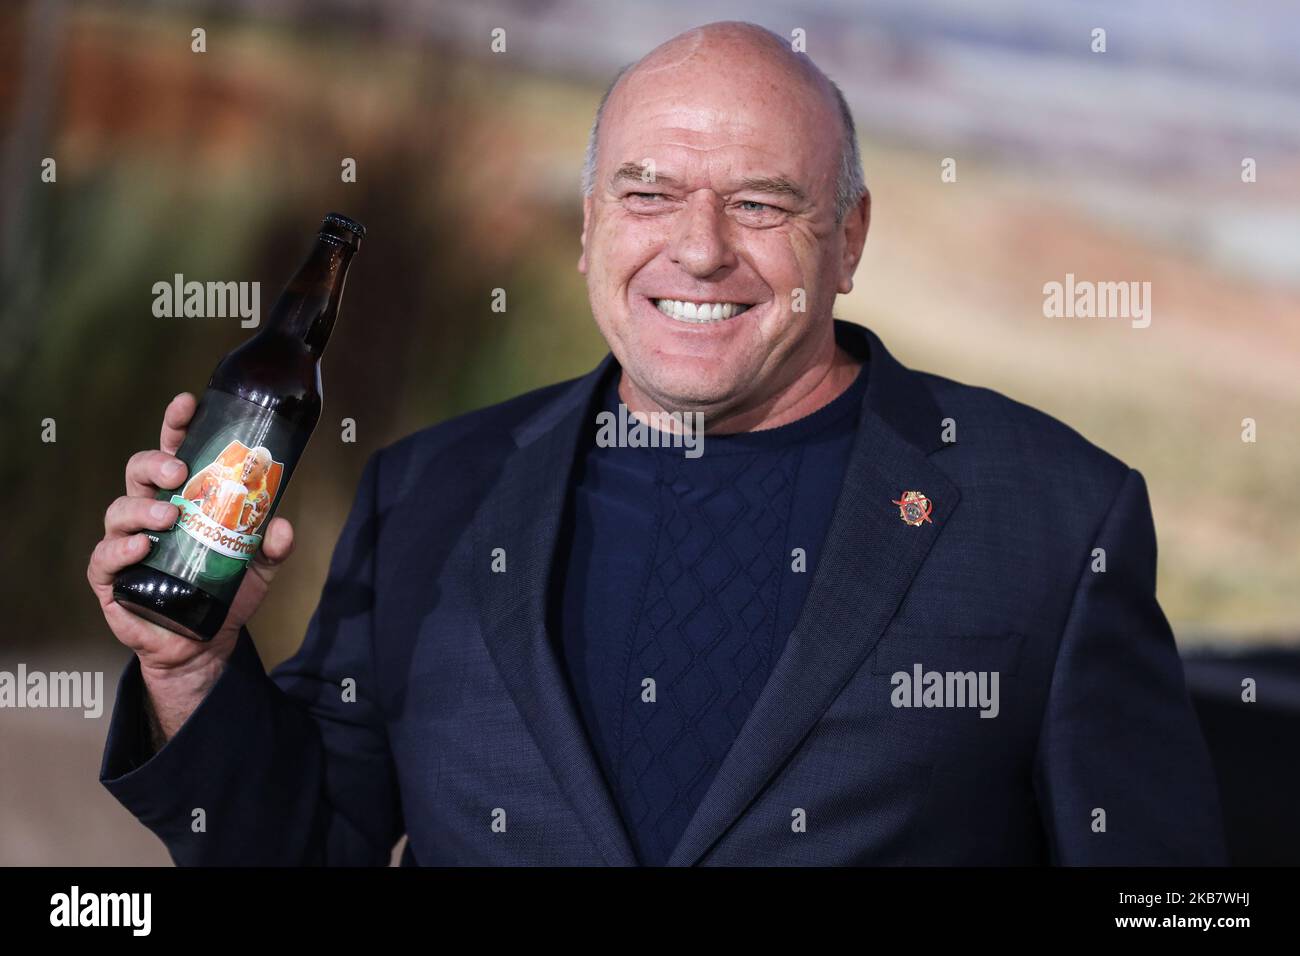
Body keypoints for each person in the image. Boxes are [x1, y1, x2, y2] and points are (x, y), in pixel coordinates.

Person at [86, 21, 1225, 865]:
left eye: (762, 204)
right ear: (588, 229)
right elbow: (295, 849)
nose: (698, 250)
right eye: (648, 195)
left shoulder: (1052, 513)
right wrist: (190, 671)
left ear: (850, 237)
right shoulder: (433, 490)